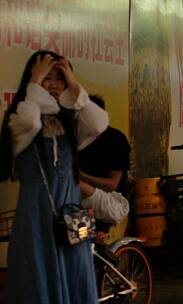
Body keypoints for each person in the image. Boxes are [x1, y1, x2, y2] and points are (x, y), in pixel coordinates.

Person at [0, 50, 108, 303]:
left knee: (76, 273)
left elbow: (99, 123)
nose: (53, 84)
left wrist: (73, 85)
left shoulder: (71, 123)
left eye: (59, 78)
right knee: (37, 277)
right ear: (32, 80)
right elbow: (31, 122)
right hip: (36, 217)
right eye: (47, 78)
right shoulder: (19, 119)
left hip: (72, 217)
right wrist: (34, 83)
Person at [79, 95, 130, 226]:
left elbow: (112, 184)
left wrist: (82, 176)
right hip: (83, 196)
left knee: (71, 182)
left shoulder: (116, 139)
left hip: (112, 200)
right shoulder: (79, 139)